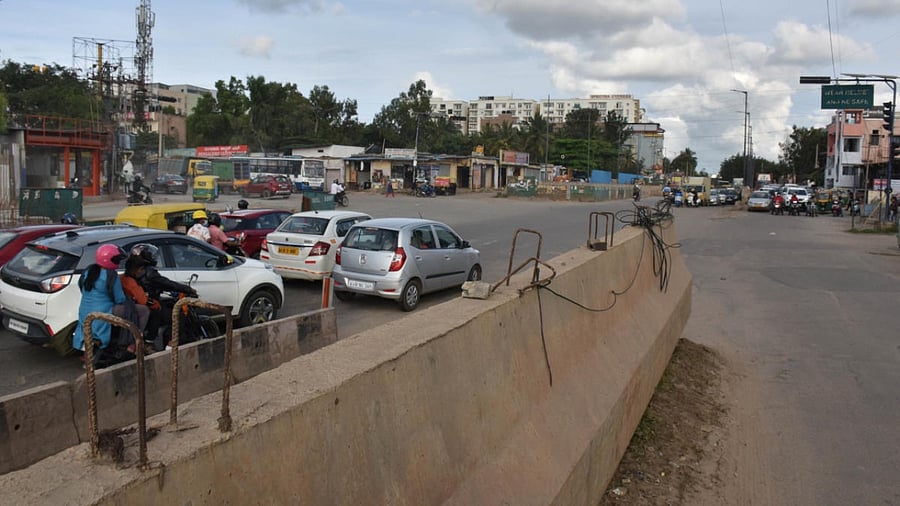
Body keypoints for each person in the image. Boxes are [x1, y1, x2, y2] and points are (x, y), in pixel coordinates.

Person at [130, 244, 198, 350]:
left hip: (138, 304)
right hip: (150, 305)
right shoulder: (149, 273)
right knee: (178, 316)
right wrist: (187, 289)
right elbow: (167, 283)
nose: (154, 258)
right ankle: (169, 346)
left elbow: (159, 285)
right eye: (151, 255)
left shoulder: (132, 271)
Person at [72, 244, 129, 353]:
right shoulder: (111, 275)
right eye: (116, 259)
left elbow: (81, 288)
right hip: (103, 313)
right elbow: (120, 299)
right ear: (109, 260)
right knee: (141, 311)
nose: (118, 262)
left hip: (84, 312)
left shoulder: (89, 271)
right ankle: (131, 344)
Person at [119, 255, 153, 338]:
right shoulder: (131, 282)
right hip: (127, 307)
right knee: (147, 311)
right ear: (136, 270)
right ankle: (137, 339)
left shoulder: (120, 277)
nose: (142, 271)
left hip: (121, 306)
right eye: (141, 269)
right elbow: (142, 301)